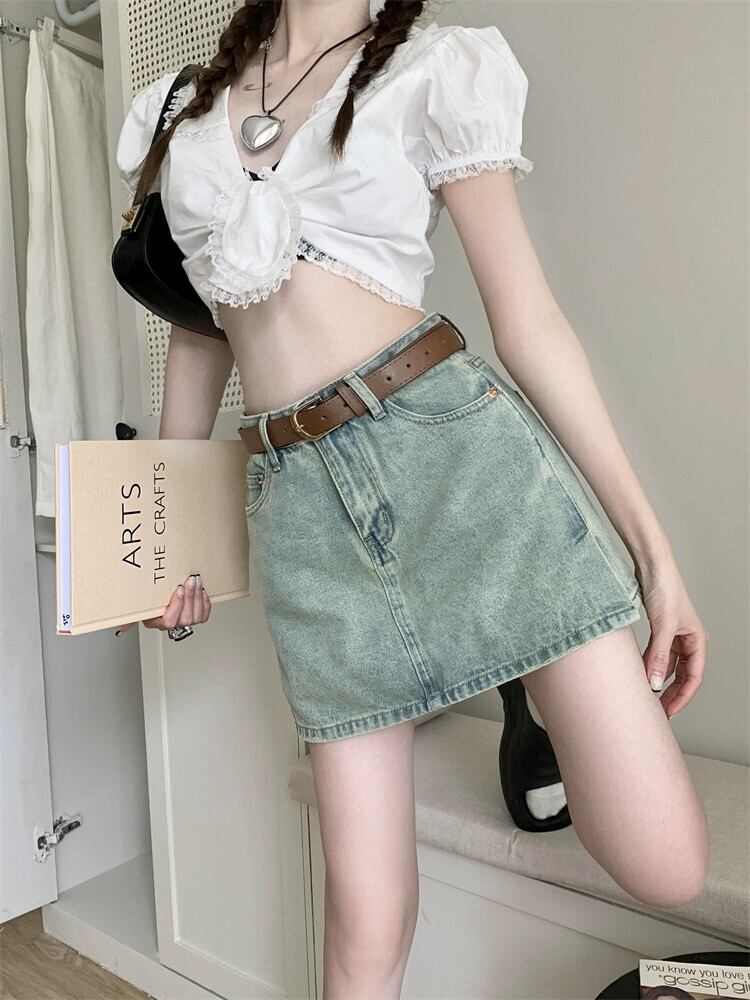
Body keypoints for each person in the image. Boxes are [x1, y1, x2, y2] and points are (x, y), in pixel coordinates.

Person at [114, 1, 710, 995]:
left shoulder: (436, 69)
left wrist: (655, 556)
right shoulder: (182, 109)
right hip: (298, 508)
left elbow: (531, 325)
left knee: (665, 864)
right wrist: (173, 540)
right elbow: (200, 332)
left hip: (460, 461)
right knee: (365, 921)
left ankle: (530, 690)